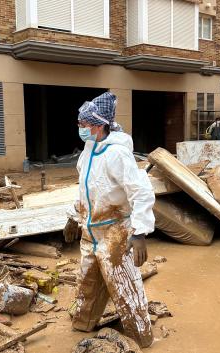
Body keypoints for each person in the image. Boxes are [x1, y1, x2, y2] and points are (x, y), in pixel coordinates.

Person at [63, 92, 155, 348]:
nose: (80, 128)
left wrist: (139, 233)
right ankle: (83, 326)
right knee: (87, 285)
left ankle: (141, 339)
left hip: (115, 233)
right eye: (79, 124)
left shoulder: (117, 154)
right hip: (90, 232)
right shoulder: (87, 152)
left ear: (99, 125)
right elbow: (86, 190)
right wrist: (74, 216)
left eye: (84, 124)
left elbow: (140, 191)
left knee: (126, 290)